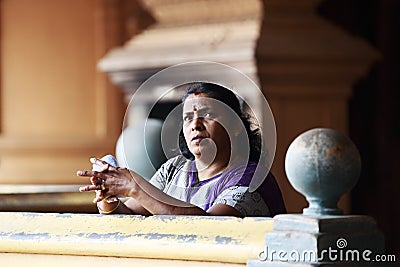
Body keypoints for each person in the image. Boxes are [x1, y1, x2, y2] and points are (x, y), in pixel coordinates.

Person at [77, 82, 286, 217]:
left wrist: (135, 185)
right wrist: (108, 197)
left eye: (207, 114)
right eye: (188, 118)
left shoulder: (251, 178)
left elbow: (210, 228)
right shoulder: (174, 169)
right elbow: (131, 211)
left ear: (235, 126)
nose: (195, 124)